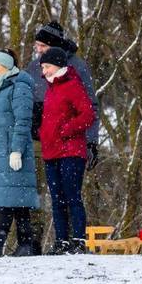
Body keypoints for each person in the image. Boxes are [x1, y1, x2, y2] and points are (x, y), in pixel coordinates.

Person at [0, 50, 40, 257]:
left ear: (6, 66)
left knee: (10, 199)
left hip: (13, 151)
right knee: (15, 200)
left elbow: (22, 121)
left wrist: (16, 150)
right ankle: (25, 244)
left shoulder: (18, 86)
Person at [38, 46, 96, 254]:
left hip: (71, 150)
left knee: (72, 196)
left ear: (58, 65)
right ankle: (61, 241)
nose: (44, 71)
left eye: (47, 66)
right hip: (51, 151)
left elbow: (88, 114)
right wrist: (43, 133)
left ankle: (78, 240)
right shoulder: (50, 89)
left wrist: (66, 129)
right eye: (43, 67)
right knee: (56, 199)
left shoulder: (72, 85)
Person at [27, 21, 100, 166]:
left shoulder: (77, 67)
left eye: (43, 46)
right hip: (37, 141)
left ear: (56, 47)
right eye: (37, 45)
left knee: (64, 187)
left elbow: (91, 107)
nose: (39, 50)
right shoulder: (33, 67)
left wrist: (91, 142)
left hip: (68, 143)